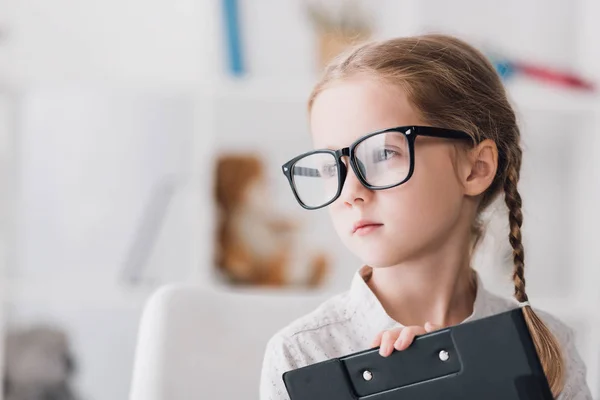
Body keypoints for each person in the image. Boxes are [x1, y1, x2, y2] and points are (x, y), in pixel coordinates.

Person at [259, 34, 592, 399]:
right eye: (328, 168)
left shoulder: (548, 348)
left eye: (383, 154)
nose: (350, 192)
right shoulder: (300, 356)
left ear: (476, 168)